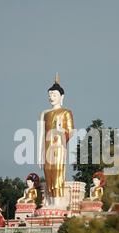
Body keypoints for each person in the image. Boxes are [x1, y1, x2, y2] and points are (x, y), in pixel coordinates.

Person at [38, 74, 74, 208]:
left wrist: (60, 131)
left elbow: (71, 131)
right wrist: (39, 154)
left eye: (54, 95)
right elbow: (41, 134)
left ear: (61, 97)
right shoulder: (44, 113)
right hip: (47, 147)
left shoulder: (66, 112)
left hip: (59, 147)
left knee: (57, 170)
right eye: (50, 95)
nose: (51, 97)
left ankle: (57, 202)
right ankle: (50, 200)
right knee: (48, 171)